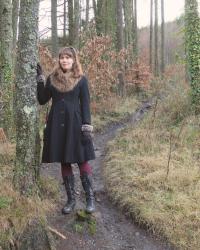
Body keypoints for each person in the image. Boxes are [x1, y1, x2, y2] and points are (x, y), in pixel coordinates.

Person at [36, 47, 96, 214]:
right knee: (65, 161)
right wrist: (40, 79)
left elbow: (85, 105)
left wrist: (86, 127)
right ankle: (71, 200)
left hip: (75, 124)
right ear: (59, 60)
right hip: (57, 125)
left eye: (68, 58)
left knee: (82, 159)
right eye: (62, 57)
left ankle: (90, 199)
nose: (65, 60)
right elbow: (42, 99)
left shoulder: (81, 80)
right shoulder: (52, 79)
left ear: (74, 60)